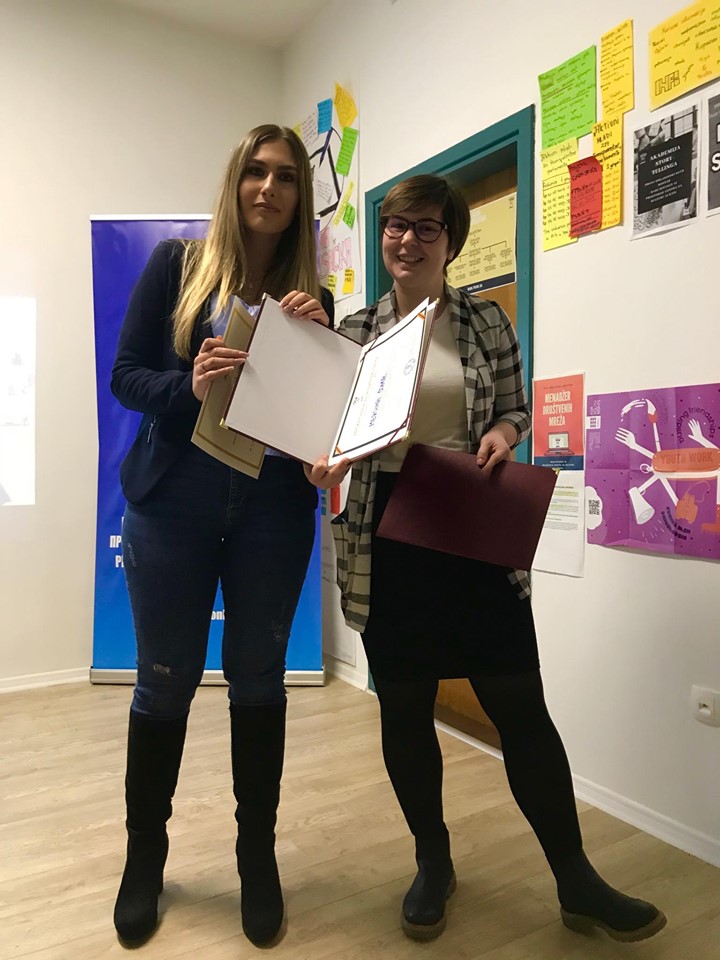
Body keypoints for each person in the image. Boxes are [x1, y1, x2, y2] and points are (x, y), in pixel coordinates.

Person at [333, 174, 666, 943]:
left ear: (451, 241)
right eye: (396, 225)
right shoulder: (354, 334)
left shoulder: (486, 321)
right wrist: (329, 460)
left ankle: (577, 881)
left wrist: (504, 433)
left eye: (426, 227)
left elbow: (516, 407)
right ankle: (433, 863)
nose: (407, 239)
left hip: (474, 529)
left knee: (521, 707)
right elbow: (329, 431)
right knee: (406, 711)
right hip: (389, 538)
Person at [110, 124, 348, 949]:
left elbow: (322, 421)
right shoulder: (177, 267)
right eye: (255, 171)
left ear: (299, 197)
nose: (269, 187)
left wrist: (317, 355)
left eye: (285, 176)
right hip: (172, 505)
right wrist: (190, 383)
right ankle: (145, 860)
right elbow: (126, 375)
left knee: (259, 683)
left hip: (272, 511)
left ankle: (258, 859)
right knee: (163, 684)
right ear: (234, 182)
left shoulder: (313, 302)